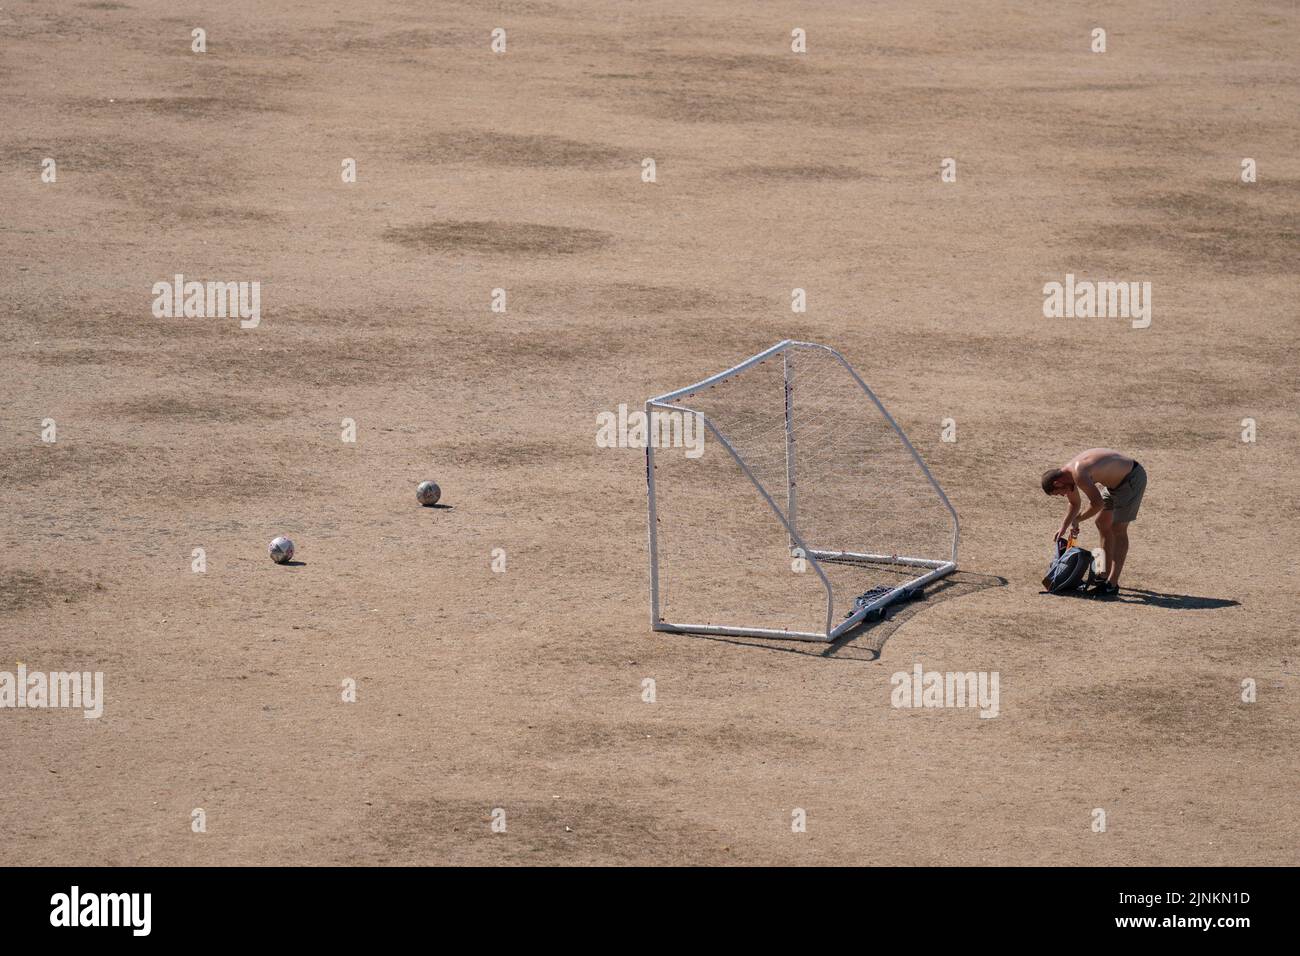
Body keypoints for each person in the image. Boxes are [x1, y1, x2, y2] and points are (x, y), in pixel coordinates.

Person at [1040, 449, 1147, 596]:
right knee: (1102, 523)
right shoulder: (1067, 476)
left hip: (1131, 479)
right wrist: (1064, 527)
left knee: (1118, 529)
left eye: (1059, 493)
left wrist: (1078, 519)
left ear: (1057, 483)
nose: (1063, 494)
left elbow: (1097, 504)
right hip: (1113, 485)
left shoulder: (1078, 472)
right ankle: (1103, 576)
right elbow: (1074, 503)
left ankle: (1112, 585)